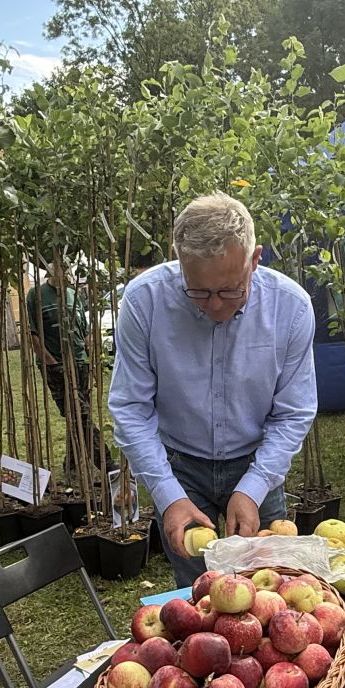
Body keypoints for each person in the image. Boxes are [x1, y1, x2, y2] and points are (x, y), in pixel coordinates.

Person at [108, 193, 317, 586]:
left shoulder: (291, 307)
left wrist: (254, 487)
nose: (216, 306)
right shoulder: (143, 301)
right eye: (199, 292)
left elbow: (294, 412)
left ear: (255, 259)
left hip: (258, 459)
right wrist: (168, 495)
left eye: (231, 290)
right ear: (179, 260)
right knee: (196, 595)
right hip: (178, 463)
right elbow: (131, 408)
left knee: (272, 590)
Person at [24, 263, 107, 474]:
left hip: (80, 363)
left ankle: (71, 464)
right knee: (81, 415)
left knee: (76, 413)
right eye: (61, 268)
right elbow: (32, 332)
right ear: (51, 271)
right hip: (57, 366)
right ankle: (107, 463)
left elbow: (85, 331)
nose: (67, 272)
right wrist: (50, 362)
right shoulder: (36, 295)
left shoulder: (73, 295)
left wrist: (90, 359)